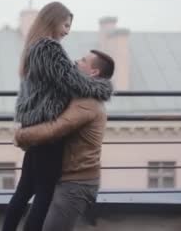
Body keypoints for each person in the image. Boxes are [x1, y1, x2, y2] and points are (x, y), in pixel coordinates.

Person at [1, 2, 113, 231]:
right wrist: (103, 88)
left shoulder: (34, 46)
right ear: (53, 20)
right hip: (47, 133)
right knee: (43, 195)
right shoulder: (50, 48)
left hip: (35, 125)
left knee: (23, 192)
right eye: (66, 24)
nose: (67, 31)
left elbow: (60, 79)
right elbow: (73, 80)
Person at [14, 50, 115, 231]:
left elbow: (56, 128)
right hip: (65, 179)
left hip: (76, 184)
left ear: (93, 72)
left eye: (83, 60)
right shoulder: (79, 93)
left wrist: (21, 135)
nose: (76, 61)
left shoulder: (88, 103)